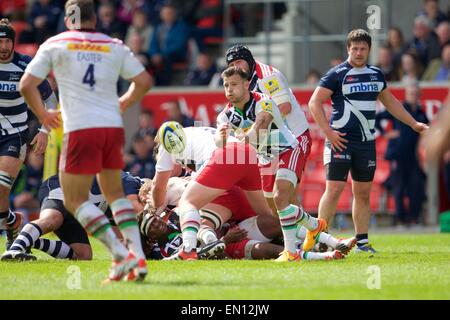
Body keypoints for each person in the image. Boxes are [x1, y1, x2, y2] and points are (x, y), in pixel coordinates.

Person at [18, 0, 152, 282]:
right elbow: (144, 81)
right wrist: (124, 102)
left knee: (75, 199)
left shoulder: (57, 43)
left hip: (81, 128)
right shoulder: (113, 44)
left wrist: (44, 114)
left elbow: (26, 85)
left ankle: (120, 255)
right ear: (95, 19)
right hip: (111, 128)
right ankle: (138, 258)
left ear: (68, 19)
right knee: (115, 194)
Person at [308, 29, 429, 254]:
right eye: (355, 48)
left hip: (365, 143)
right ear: (348, 49)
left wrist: (413, 124)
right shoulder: (336, 74)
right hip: (340, 141)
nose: (359, 52)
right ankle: (318, 239)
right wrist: (328, 133)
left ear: (369, 50)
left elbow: (391, 102)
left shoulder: (375, 74)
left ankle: (362, 242)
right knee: (333, 189)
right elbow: (314, 102)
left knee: (363, 192)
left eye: (363, 48)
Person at [217, 66, 327, 262]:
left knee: (280, 196)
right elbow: (219, 142)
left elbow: (261, 124)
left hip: (287, 149)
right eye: (226, 85)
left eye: (234, 84)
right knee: (275, 211)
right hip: (265, 159)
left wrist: (241, 139)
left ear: (245, 84)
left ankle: (291, 251)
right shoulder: (226, 114)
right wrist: (222, 137)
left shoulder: (263, 101)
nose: (229, 90)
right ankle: (314, 226)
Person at [1, 171, 145, 261]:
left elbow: (118, 238)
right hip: (62, 187)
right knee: (53, 219)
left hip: (76, 209)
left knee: (83, 255)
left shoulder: (121, 205)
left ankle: (26, 238)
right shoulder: (132, 182)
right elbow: (135, 206)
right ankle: (15, 250)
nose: (148, 201)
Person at [0, 18, 55, 250]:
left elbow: (50, 98)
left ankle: (9, 223)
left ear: (14, 43)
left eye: (7, 42)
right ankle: (11, 221)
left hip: (15, 135)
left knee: (1, 184)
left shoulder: (26, 65)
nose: (3, 47)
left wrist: (44, 129)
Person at [375, 83, 429, 226]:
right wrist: (386, 134)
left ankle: (413, 218)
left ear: (419, 95)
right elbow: (378, 118)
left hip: (414, 156)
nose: (414, 96)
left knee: (416, 187)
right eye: (411, 93)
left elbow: (426, 129)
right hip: (398, 155)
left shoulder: (420, 112)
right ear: (406, 94)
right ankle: (401, 219)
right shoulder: (399, 109)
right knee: (398, 188)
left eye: (416, 94)